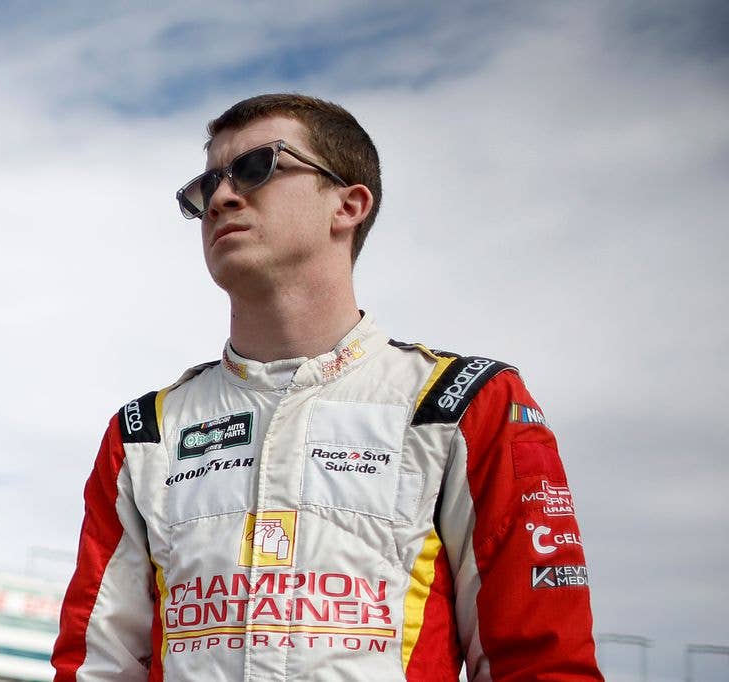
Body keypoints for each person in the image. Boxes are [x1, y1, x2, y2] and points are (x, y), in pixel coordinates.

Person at [51, 94, 602, 681]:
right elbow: (95, 667)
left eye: (257, 167)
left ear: (349, 204)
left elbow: (542, 662)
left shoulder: (463, 404)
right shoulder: (145, 433)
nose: (221, 198)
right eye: (205, 186)